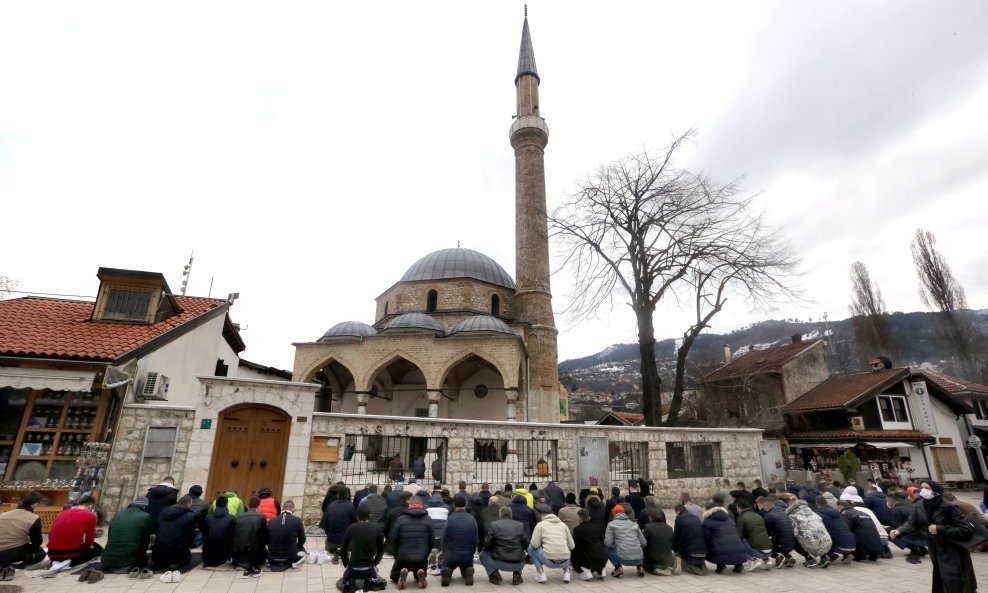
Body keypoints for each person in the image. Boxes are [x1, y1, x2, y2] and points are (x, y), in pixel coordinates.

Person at [890, 480, 978, 593]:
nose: (923, 491)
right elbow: (912, 523)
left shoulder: (948, 507)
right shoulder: (919, 505)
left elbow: (966, 529)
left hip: (953, 549)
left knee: (955, 581)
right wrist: (899, 531)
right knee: (940, 578)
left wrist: (940, 529)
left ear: (935, 491)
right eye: (922, 488)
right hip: (935, 549)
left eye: (927, 488)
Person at [389, 495, 434, 589]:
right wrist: (426, 554)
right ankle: (420, 573)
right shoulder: (428, 519)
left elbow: (393, 539)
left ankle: (403, 571)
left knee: (394, 576)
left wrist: (397, 555)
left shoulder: (401, 519)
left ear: (409, 504)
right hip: (421, 556)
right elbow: (431, 540)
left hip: (403, 555)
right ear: (421, 504)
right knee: (420, 570)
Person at [151, 495, 198, 581]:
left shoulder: (163, 512)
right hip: (176, 550)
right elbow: (190, 535)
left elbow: (156, 528)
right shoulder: (190, 516)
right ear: (188, 504)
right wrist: (192, 544)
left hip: (158, 549)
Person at [47, 495, 100, 569]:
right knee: (97, 549)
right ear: (91, 505)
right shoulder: (91, 516)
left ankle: (59, 561)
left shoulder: (62, 513)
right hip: (71, 553)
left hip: (52, 553)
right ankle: (68, 562)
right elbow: (89, 540)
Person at [101, 495, 152, 573]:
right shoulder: (145, 516)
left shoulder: (118, 514)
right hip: (129, 559)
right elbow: (145, 541)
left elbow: (110, 535)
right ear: (144, 506)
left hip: (107, 559)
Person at [341, 506, 386, 593]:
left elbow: (343, 550)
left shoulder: (351, 528)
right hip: (369, 566)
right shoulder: (376, 528)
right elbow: (381, 550)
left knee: (342, 581)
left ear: (357, 516)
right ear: (370, 516)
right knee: (381, 580)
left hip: (353, 567)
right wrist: (375, 563)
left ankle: (350, 582)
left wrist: (346, 565)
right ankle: (370, 581)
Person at [0, 491, 46, 576]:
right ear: (35, 505)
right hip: (15, 552)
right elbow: (37, 541)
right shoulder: (33, 518)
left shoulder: (3, 515)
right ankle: (13, 565)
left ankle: (4, 564)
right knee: (41, 552)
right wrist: (31, 551)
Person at [480, 506, 528, 586]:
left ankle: (495, 575)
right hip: (518, 563)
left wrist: (491, 547)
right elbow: (526, 544)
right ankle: (517, 575)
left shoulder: (494, 525)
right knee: (523, 554)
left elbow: (486, 543)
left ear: (500, 515)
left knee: (482, 555)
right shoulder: (520, 525)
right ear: (511, 515)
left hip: (498, 561)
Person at [440, 496, 477, 586]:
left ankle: (446, 571)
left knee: (446, 565)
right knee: (466, 565)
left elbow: (444, 538)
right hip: (467, 554)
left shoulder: (450, 519)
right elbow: (475, 539)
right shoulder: (472, 519)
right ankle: (468, 570)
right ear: (466, 505)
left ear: (454, 505)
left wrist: (444, 553)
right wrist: (472, 552)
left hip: (451, 554)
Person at [528, 510, 575, 583]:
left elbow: (535, 544)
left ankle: (541, 573)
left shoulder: (540, 525)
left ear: (543, 517)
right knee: (565, 547)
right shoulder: (563, 525)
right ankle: (567, 572)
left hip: (549, 561)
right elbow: (572, 546)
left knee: (530, 548)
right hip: (566, 561)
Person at [785, 498, 832, 568]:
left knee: (793, 540)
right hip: (827, 541)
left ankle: (809, 558)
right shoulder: (814, 513)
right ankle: (824, 558)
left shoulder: (793, 516)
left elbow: (794, 533)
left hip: (811, 544)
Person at [701, 505, 746, 574]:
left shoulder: (708, 521)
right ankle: (738, 565)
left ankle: (721, 566)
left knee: (716, 545)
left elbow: (706, 537)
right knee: (730, 544)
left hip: (721, 549)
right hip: (738, 548)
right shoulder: (729, 520)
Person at [604, 504, 645, 577]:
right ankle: (640, 566)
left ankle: (618, 567)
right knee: (638, 544)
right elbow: (644, 543)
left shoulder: (611, 525)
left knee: (606, 548)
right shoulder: (634, 524)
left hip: (623, 559)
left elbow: (608, 544)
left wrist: (616, 544)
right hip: (638, 558)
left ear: (614, 513)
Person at [232, 496, 268, 578]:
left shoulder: (237, 517)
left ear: (248, 506)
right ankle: (254, 567)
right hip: (256, 554)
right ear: (258, 506)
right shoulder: (261, 517)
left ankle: (248, 568)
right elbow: (264, 537)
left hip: (238, 556)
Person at [888, 491, 928, 563]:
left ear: (891, 501)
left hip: (917, 537)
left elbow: (898, 528)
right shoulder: (906, 507)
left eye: (887, 501)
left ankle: (913, 548)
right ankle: (922, 549)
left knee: (889, 533)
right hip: (924, 535)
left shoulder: (895, 510)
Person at [814, 495, 856, 565]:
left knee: (818, 536)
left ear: (816, 503)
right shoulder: (838, 513)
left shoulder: (820, 515)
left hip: (839, 546)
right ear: (826, 502)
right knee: (838, 531)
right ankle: (847, 555)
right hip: (852, 544)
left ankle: (832, 555)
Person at [268, 501, 307, 571]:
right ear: (293, 509)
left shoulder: (272, 521)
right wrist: (298, 546)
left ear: (282, 508)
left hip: (273, 555)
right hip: (290, 555)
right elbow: (302, 539)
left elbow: (266, 539)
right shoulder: (297, 520)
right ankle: (293, 564)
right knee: (304, 553)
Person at [758, 496, 796, 568]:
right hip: (792, 542)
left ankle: (778, 557)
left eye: (763, 507)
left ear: (767, 505)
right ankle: (789, 557)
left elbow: (764, 531)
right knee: (776, 538)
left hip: (782, 543)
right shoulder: (783, 512)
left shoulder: (769, 515)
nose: (763, 509)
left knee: (764, 543)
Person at [735, 500, 772, 570]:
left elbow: (739, 536)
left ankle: (753, 560)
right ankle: (767, 560)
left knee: (739, 541)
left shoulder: (741, 517)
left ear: (739, 509)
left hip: (757, 551)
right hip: (769, 550)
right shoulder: (758, 515)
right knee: (758, 535)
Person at [672, 504, 707, 576]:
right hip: (703, 550)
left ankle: (694, 569)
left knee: (682, 559)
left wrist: (675, 550)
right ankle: (703, 568)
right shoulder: (696, 518)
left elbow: (676, 536)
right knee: (698, 557)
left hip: (690, 552)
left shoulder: (679, 519)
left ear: (678, 511)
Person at [324, 487, 357, 564]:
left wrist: (329, 535)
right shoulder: (351, 506)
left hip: (332, 540)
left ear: (338, 495)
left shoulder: (330, 506)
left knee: (330, 544)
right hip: (346, 541)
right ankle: (343, 552)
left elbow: (325, 524)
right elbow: (354, 524)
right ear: (347, 495)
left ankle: (337, 551)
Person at [202, 496, 236, 568]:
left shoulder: (208, 517)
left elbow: (204, 533)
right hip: (223, 555)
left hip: (207, 555)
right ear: (226, 505)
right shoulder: (232, 518)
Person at [642, 509, 677, 576]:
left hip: (653, 559)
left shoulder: (648, 527)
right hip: (667, 558)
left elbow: (644, 543)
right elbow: (672, 544)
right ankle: (667, 567)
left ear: (650, 517)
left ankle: (657, 568)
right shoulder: (669, 528)